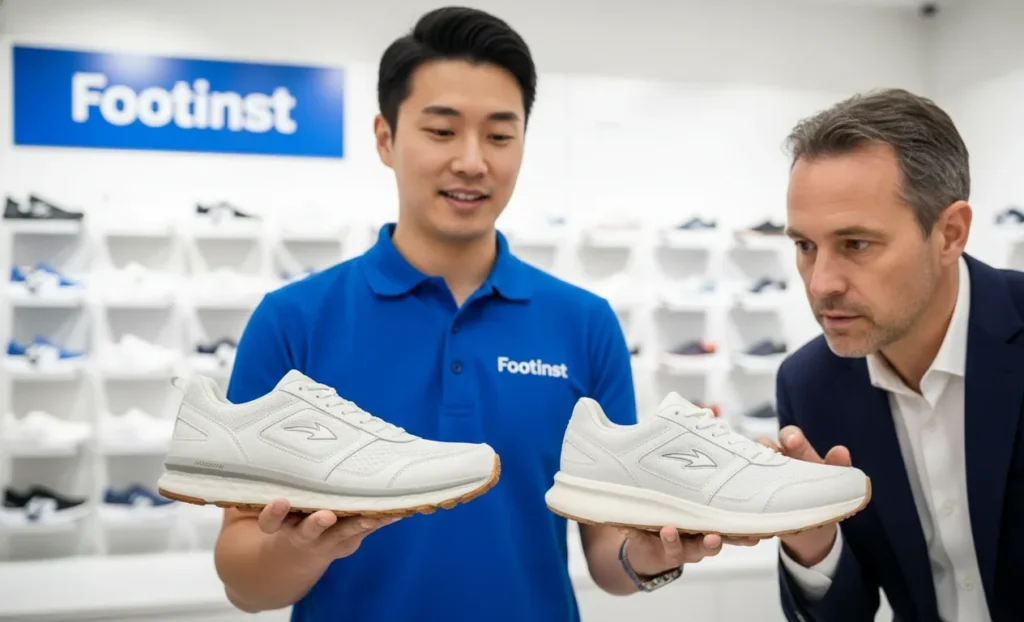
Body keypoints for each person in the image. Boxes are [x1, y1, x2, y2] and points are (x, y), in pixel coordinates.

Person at [210, 7, 734, 622]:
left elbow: (605, 556)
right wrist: (300, 550)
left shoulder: (585, 323)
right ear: (385, 138)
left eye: (499, 135)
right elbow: (246, 586)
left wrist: (649, 554)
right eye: (441, 131)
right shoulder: (292, 321)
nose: (472, 161)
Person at [764, 88, 1024, 622]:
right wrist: (814, 541)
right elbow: (847, 611)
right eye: (805, 246)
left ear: (949, 233)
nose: (820, 283)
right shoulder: (809, 385)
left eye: (856, 244)